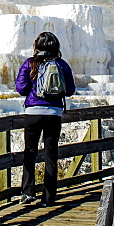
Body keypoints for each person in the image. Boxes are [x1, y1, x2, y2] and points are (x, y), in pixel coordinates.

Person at [15, 31, 76, 205]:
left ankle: (28, 192)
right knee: (51, 154)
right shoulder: (62, 64)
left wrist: (34, 88)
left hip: (33, 113)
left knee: (30, 152)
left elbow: (21, 89)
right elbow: (70, 90)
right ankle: (49, 198)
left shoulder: (30, 63)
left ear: (37, 46)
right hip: (54, 114)